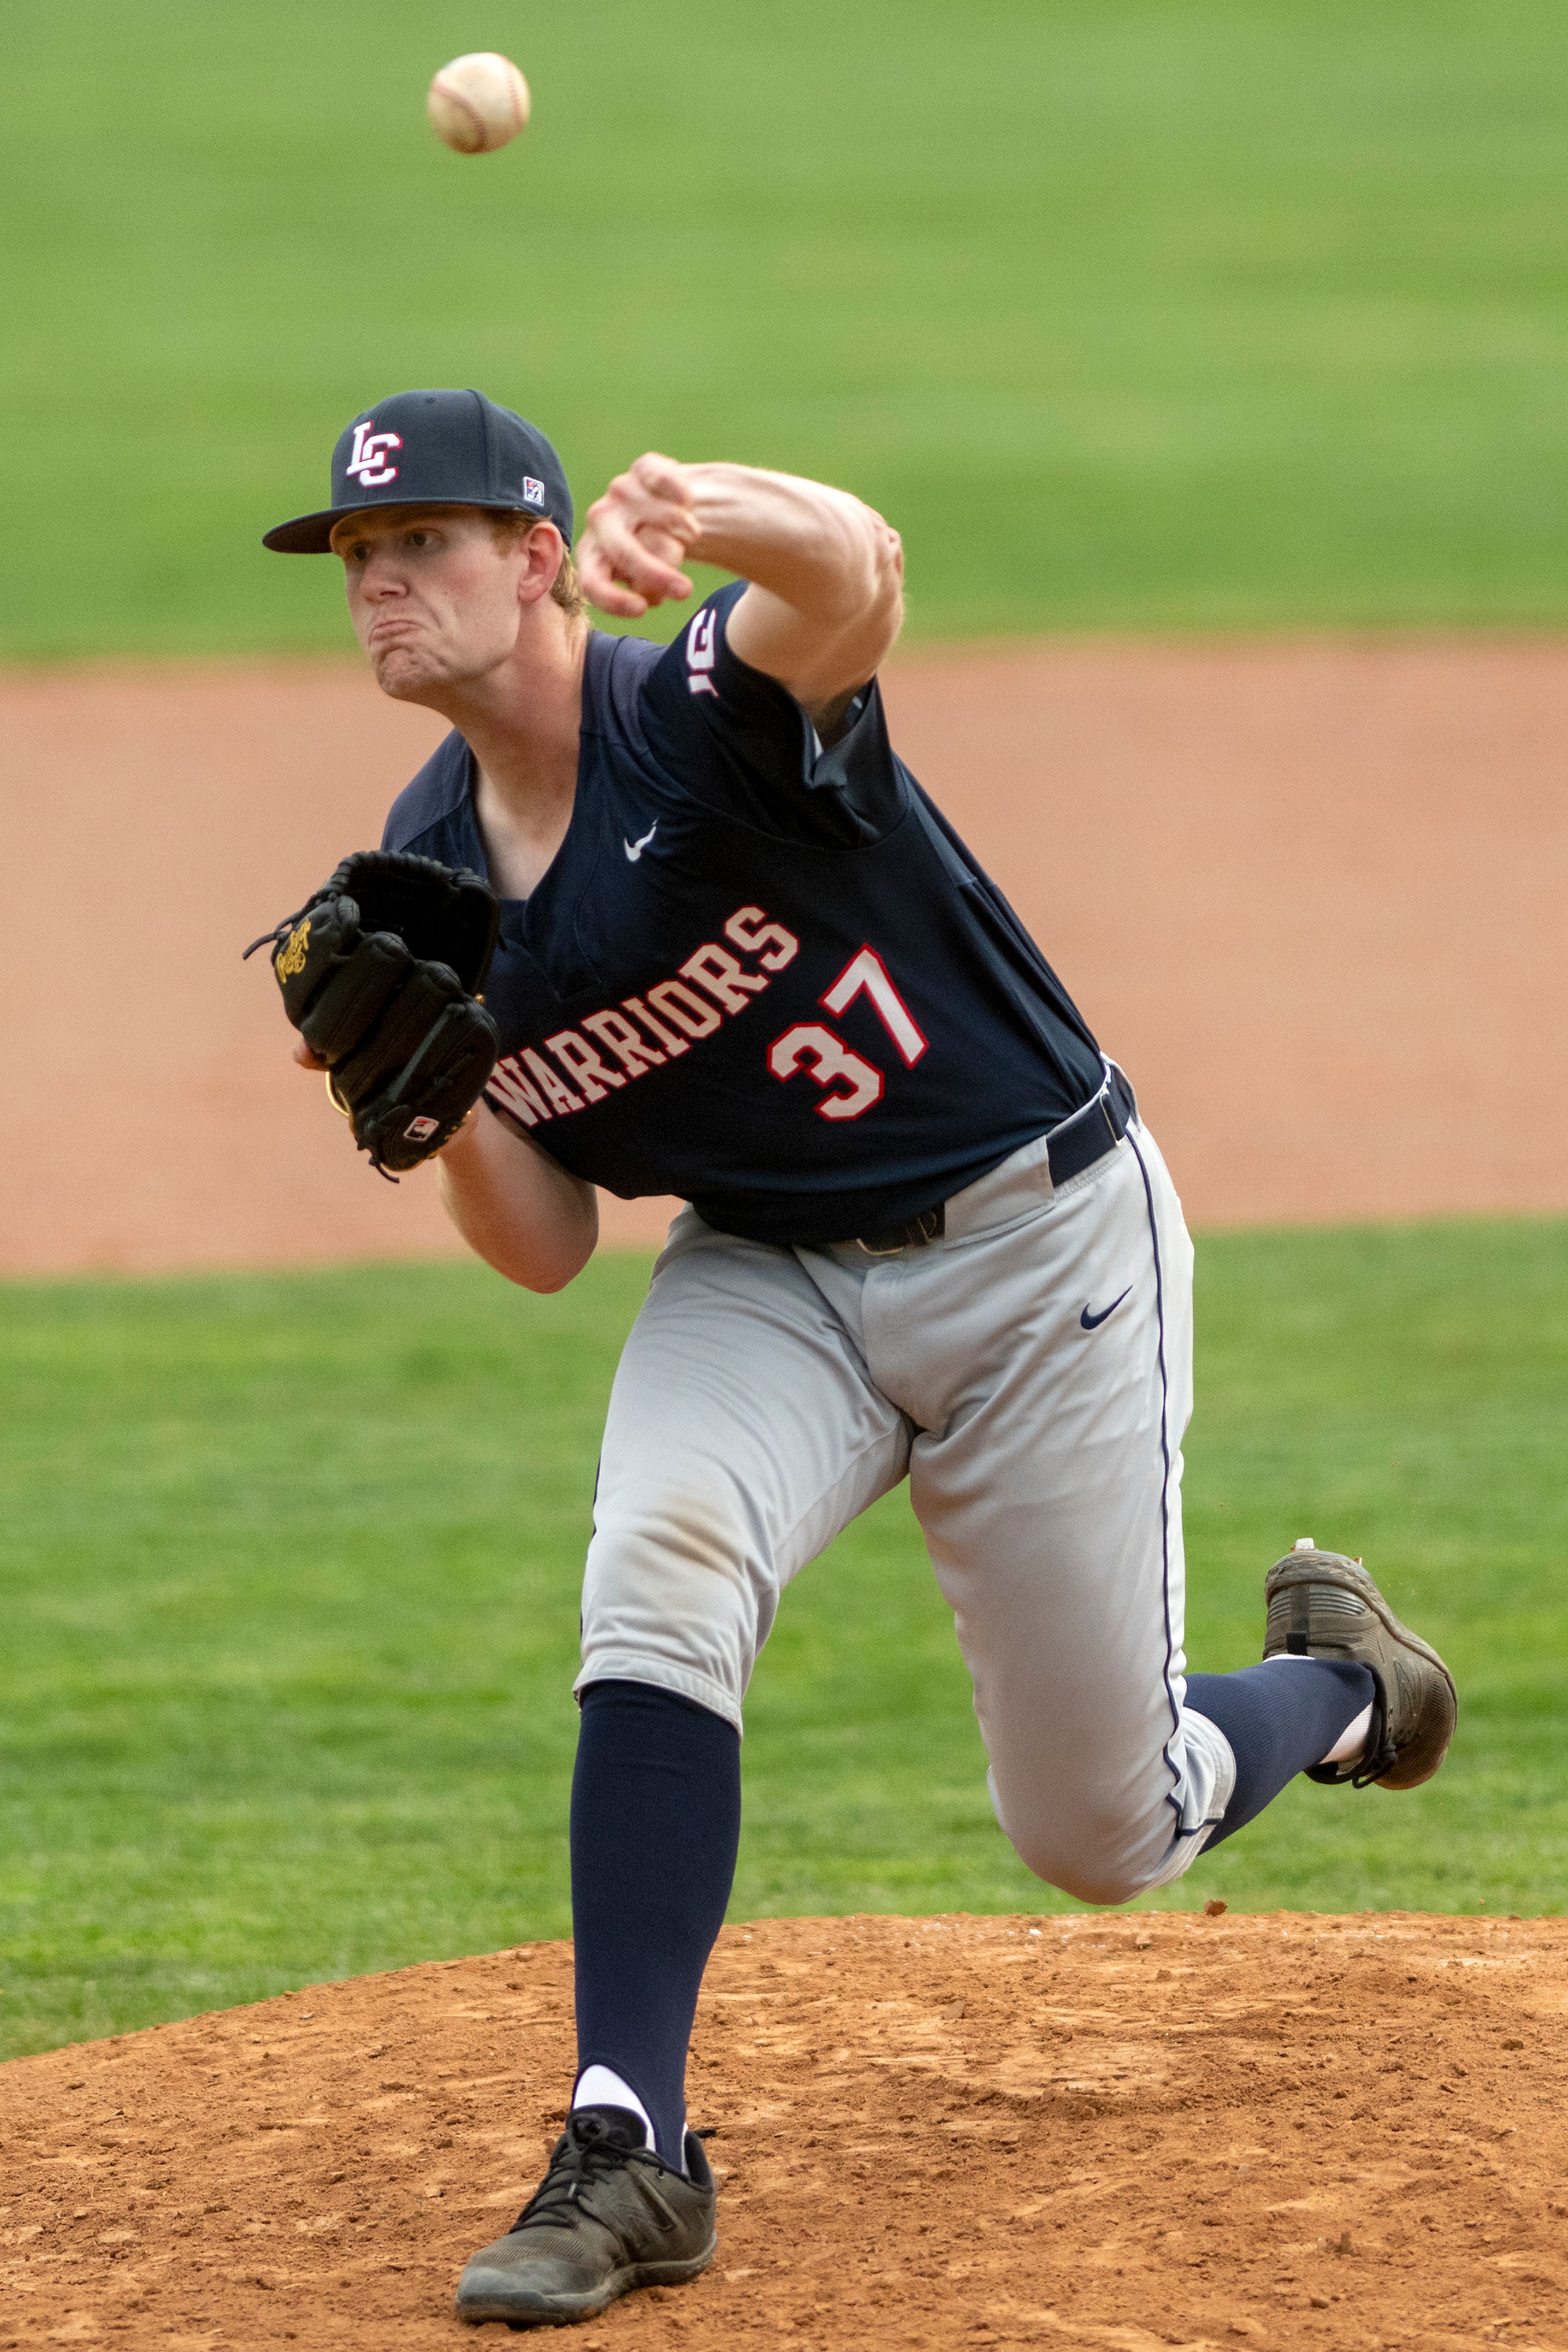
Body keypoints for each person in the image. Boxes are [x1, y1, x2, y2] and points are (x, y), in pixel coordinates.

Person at [263, 388, 1457, 2330]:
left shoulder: (695, 709)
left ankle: (1330, 1690)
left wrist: (708, 505)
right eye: (359, 560)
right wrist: (416, 1105)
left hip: (1037, 1241)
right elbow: (551, 1246)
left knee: (1100, 1829)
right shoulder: (431, 874)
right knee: (659, 1566)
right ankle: (629, 2142)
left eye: (427, 545)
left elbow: (861, 573)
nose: (381, 584)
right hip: (773, 1282)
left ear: (544, 559)